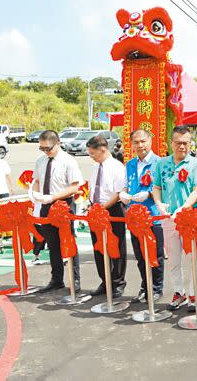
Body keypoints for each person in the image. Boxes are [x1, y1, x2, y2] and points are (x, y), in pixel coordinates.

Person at [152, 125, 197, 312]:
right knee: (174, 258)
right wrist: (159, 203)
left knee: (192, 258)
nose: (182, 146)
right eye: (178, 143)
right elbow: (156, 187)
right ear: (171, 143)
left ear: (190, 144)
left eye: (186, 143)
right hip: (168, 218)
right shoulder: (162, 163)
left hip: (190, 218)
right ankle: (179, 291)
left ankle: (193, 294)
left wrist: (184, 208)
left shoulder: (195, 164)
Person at [31, 130, 83, 293]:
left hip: (63, 205)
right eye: (42, 148)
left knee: (68, 242)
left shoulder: (68, 161)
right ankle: (56, 279)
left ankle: (74, 280)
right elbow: (37, 181)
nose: (46, 152)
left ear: (58, 144)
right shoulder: (40, 161)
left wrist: (53, 197)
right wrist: (38, 195)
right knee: (52, 244)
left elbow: (75, 186)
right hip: (45, 204)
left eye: (48, 148)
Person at [119, 129, 164, 303]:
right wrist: (123, 193)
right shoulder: (130, 164)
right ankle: (145, 286)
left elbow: (162, 188)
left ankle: (156, 288)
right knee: (140, 255)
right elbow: (126, 186)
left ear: (150, 141)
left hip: (152, 216)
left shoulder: (159, 163)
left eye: (143, 141)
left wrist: (149, 194)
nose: (140, 145)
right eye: (136, 142)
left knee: (155, 255)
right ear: (131, 144)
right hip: (134, 217)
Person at [86, 135, 127, 297]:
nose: (91, 156)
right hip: (96, 211)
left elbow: (118, 193)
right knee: (99, 247)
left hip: (112, 210)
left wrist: (102, 208)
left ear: (103, 150)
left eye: (93, 153)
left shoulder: (117, 167)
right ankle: (105, 280)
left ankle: (117, 282)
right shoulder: (96, 167)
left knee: (116, 247)